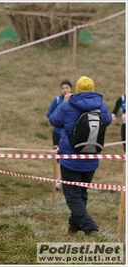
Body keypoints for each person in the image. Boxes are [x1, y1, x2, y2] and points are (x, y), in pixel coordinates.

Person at [49, 75, 112, 235]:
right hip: (91, 158)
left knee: (72, 196)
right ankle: (73, 227)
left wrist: (63, 103)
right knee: (82, 193)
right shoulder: (101, 106)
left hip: (71, 158)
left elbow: (54, 120)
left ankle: (90, 227)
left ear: (76, 90)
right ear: (92, 89)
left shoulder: (67, 105)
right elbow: (108, 120)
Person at [46, 80, 74, 190]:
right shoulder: (57, 100)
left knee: (66, 157)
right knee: (58, 158)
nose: (65, 90)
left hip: (68, 133)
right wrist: (58, 118)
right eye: (63, 88)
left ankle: (63, 180)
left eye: (67, 87)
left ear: (71, 89)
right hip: (57, 133)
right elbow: (49, 113)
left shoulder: (74, 100)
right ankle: (58, 181)